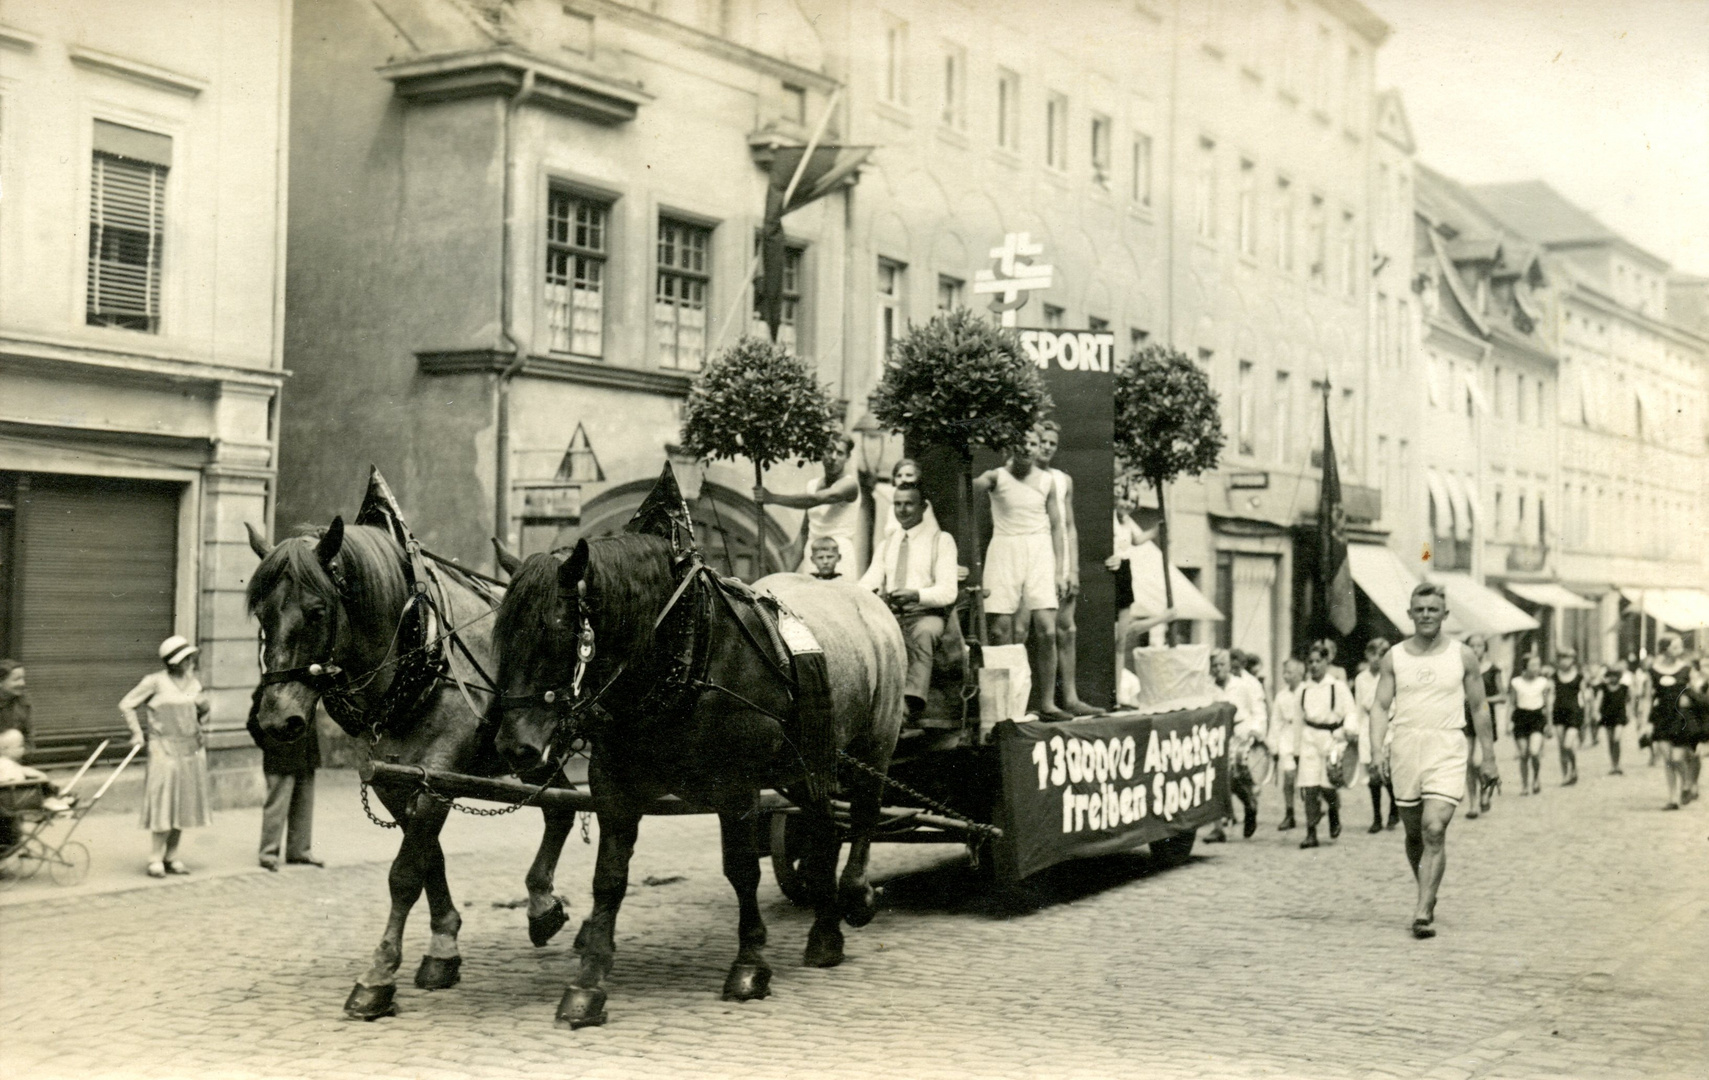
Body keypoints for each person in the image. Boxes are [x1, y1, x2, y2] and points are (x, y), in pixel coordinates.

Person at [1371, 583, 1498, 939]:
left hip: (1447, 747)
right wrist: (1376, 749)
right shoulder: (1394, 657)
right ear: (1410, 614)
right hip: (1406, 747)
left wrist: (1488, 757)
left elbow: (1479, 707)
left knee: (1434, 828)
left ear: (1445, 614)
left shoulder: (1462, 656)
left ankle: (1423, 909)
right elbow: (1380, 707)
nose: (1426, 615)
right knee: (1414, 833)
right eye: (1420, 609)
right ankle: (1427, 888)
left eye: (1433, 609)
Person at [974, 430, 1070, 721]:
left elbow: (1057, 526)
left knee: (1047, 628)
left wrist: (1060, 570)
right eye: (1021, 443)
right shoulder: (996, 477)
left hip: (1039, 550)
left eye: (1032, 443)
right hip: (1005, 549)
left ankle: (1048, 703)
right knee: (1001, 631)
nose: (1027, 448)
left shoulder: (1047, 481)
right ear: (1010, 447)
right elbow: (974, 485)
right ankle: (1007, 706)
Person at [859, 485, 959, 723]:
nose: (902, 510)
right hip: (892, 613)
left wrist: (915, 595)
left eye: (908, 504)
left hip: (926, 614)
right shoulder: (888, 544)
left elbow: (948, 592)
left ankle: (907, 707)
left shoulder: (941, 540)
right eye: (897, 504)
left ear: (923, 506)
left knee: (923, 633)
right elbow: (869, 580)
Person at [119, 635, 214, 878]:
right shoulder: (155, 682)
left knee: (183, 802)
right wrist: (137, 734)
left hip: (190, 748)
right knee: (163, 801)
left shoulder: (194, 683)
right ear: (175, 661)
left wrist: (203, 710)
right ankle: (154, 858)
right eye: (187, 658)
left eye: (191, 657)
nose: (191, 661)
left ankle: (171, 856)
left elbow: (199, 712)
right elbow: (127, 704)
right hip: (163, 748)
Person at [1034, 422, 1101, 718]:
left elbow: (1068, 526)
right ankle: (1042, 702)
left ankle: (1071, 698)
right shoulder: (1024, 477)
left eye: (1052, 443)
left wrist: (1072, 569)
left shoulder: (1063, 480)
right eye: (1043, 441)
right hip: (1035, 559)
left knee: (1066, 629)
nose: (1047, 447)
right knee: (1039, 631)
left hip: (1061, 562)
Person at [757, 434, 860, 577]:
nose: (833, 457)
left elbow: (816, 499)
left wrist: (772, 498)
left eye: (840, 453)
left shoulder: (850, 485)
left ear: (847, 457)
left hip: (839, 555)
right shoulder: (812, 485)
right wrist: (784, 576)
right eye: (829, 450)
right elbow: (805, 532)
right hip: (813, 553)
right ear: (822, 452)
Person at [246, 695, 323, 872]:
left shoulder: (306, 685)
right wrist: (271, 745)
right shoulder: (272, 686)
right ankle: (268, 854)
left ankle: (299, 852)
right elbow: (253, 722)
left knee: (304, 805)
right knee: (277, 806)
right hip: (280, 756)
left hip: (305, 753)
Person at [1291, 643, 1356, 849]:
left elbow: (1350, 712)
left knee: (1328, 785)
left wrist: (1347, 729)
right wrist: (1296, 750)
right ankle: (1311, 832)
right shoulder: (1303, 689)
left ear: (1327, 662)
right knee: (1309, 785)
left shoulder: (1337, 686)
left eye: (1318, 661)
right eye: (1310, 662)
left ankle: (1334, 812)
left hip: (1331, 737)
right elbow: (1298, 720)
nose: (1314, 665)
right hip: (1309, 737)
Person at [1207, 649, 1265, 841]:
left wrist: (1257, 730)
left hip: (1240, 733)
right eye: (1214, 666)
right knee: (1215, 779)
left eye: (1221, 665)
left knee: (1232, 778)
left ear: (1228, 666)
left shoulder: (1243, 686)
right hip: (1216, 735)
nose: (1217, 669)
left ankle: (1249, 804)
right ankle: (1218, 828)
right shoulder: (1208, 688)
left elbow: (1258, 710)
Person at [1106, 504, 1166, 677]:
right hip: (1111, 567)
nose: (1128, 504)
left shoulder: (1126, 521)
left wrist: (1155, 530)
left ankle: (1116, 690)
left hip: (1124, 569)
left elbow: (1136, 540)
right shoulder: (1109, 517)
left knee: (1121, 639)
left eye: (1133, 501)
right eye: (1125, 498)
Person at [1642, 635, 1694, 809]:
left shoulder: (1686, 669)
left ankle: (1687, 783)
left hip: (1681, 718)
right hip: (1661, 717)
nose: (1679, 649)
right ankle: (1673, 798)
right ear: (1665, 649)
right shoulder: (1653, 671)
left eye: (1680, 646)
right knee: (1667, 758)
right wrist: (1644, 723)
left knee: (1677, 757)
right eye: (1675, 647)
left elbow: (1696, 692)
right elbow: (1647, 698)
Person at [1354, 638, 1399, 832]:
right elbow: (1358, 706)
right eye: (1373, 655)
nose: (1376, 659)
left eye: (1381, 655)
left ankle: (1394, 808)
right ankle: (1376, 817)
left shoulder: (1391, 677)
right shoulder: (1361, 679)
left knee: (1387, 774)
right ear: (1367, 655)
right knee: (1373, 776)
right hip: (1368, 727)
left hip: (1389, 726)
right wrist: (1355, 729)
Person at [1461, 636, 1502, 818]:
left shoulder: (1493, 670)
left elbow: (1503, 695)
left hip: (1485, 715)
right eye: (1472, 646)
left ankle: (1485, 792)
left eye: (1479, 645)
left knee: (1479, 760)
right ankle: (1473, 803)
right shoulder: (1463, 669)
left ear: (1485, 648)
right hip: (1466, 717)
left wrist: (1483, 700)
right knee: (1469, 762)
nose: (1476, 649)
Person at [1508, 654, 1552, 796]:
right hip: (1521, 717)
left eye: (1538, 665)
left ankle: (1536, 778)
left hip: (1537, 717)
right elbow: (1511, 703)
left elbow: (1547, 705)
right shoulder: (1516, 682)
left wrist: (1549, 724)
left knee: (1534, 751)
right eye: (1533, 665)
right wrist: (1507, 722)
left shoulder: (1543, 682)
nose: (1536, 668)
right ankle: (1525, 784)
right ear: (1525, 667)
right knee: (1523, 753)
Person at [0, 729, 72, 812]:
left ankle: (56, 799)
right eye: (20, 746)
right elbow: (39, 776)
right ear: (4, 749)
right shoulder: (9, 765)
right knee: (42, 784)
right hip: (19, 799)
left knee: (39, 783)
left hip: (4, 804)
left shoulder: (7, 763)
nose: (23, 749)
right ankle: (55, 800)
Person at [869, 457, 938, 544]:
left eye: (909, 475)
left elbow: (934, 535)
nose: (903, 479)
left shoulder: (923, 505)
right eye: (899, 476)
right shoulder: (891, 505)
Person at [1271, 658, 1306, 830]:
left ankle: (1316, 809)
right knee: (1289, 776)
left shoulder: (1307, 691)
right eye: (1284, 672)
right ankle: (1289, 813)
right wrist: (1274, 744)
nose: (1286, 676)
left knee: (1309, 778)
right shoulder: (1281, 695)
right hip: (1287, 736)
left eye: (1290, 672)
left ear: (1300, 673)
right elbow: (1276, 721)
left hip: (1305, 735)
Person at [1551, 649, 1588, 786]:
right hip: (1558, 712)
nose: (1564, 661)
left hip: (1574, 713)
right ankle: (1566, 775)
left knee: (1568, 744)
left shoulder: (1579, 677)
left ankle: (1574, 766)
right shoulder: (1554, 676)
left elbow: (1585, 697)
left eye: (1567, 658)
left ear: (1573, 660)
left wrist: (1586, 716)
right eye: (1562, 658)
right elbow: (1550, 695)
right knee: (1561, 746)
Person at [1591, 659, 1633, 775]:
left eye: (1615, 675)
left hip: (1619, 715)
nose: (1613, 678)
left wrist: (1629, 713)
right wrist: (1596, 711)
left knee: (1617, 739)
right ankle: (1613, 765)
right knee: (1610, 741)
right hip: (1607, 716)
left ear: (1619, 676)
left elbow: (1629, 701)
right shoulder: (1603, 688)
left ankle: (1618, 763)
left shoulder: (1624, 688)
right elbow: (1598, 700)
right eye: (1611, 675)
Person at [0, 659, 31, 755]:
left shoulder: (23, 700)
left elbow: (28, 734)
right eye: (17, 679)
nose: (23, 683)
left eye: (23, 678)